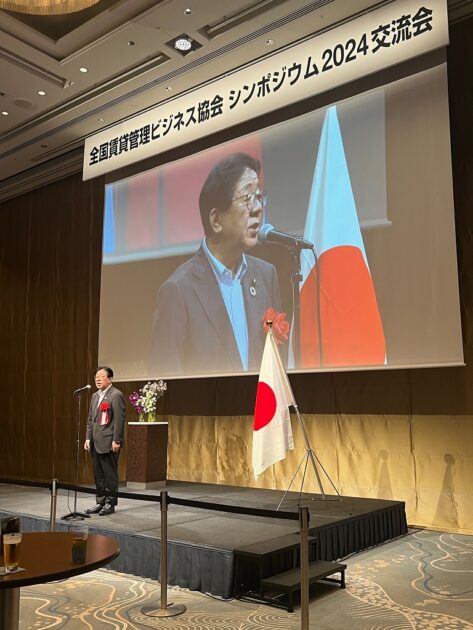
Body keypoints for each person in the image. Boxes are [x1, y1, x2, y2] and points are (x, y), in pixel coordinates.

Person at [149, 152, 282, 376]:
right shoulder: (178, 290)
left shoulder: (265, 276)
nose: (258, 208)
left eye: (259, 196)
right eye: (248, 198)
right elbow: (162, 380)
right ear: (216, 220)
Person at [84, 366, 125, 516]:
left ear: (110, 379)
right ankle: (100, 501)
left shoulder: (116, 395)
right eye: (96, 377)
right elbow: (91, 419)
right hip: (95, 442)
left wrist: (117, 440)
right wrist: (88, 438)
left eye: (101, 376)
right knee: (98, 474)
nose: (98, 379)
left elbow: (119, 420)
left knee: (109, 475)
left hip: (109, 442)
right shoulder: (95, 396)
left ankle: (110, 503)